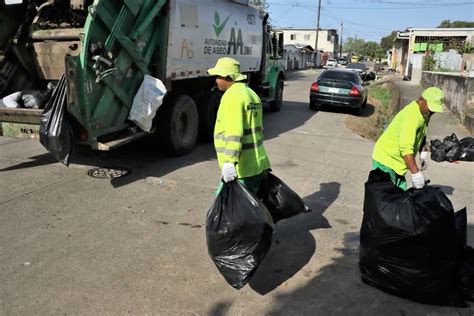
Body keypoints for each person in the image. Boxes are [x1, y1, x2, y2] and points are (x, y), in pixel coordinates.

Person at [207, 57, 271, 194]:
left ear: (228, 77)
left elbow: (234, 133)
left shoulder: (232, 96)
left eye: (218, 76)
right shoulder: (251, 94)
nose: (216, 80)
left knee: (229, 210)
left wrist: (230, 162)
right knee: (248, 208)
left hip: (242, 168)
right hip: (257, 164)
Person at [372, 86, 445, 190]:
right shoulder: (412, 116)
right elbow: (406, 148)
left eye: (434, 110)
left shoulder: (425, 113)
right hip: (386, 161)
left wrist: (423, 152)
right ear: (421, 100)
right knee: (387, 199)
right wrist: (415, 173)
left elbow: (422, 133)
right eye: (431, 108)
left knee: (399, 198)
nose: (432, 112)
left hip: (398, 164)